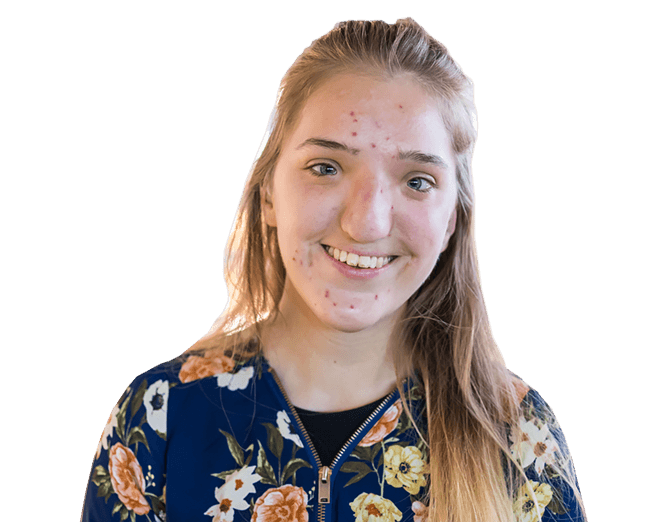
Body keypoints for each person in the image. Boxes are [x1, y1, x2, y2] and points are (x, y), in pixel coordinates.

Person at [81, 17, 586, 522]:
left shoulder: (517, 434)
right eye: (326, 168)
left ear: (453, 218)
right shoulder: (160, 417)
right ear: (268, 195)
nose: (366, 223)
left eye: (417, 180)